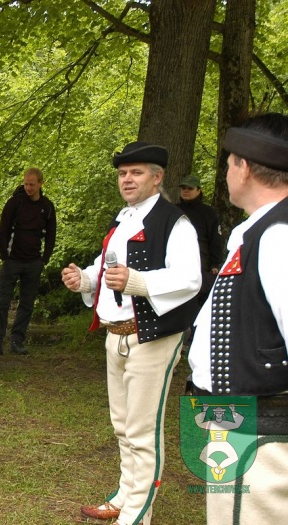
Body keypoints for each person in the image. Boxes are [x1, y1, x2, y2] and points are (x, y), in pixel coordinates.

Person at [61, 141, 201, 525]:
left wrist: (137, 281)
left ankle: (138, 512)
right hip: (116, 333)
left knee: (142, 428)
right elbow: (106, 267)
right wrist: (85, 279)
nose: (127, 179)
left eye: (136, 172)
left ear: (157, 178)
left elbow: (190, 278)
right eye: (123, 173)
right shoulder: (123, 217)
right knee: (122, 424)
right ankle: (125, 495)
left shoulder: (175, 222)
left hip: (152, 334)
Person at [187, 113, 288, 525]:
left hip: (260, 423)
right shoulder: (255, 231)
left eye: (229, 162)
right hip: (232, 412)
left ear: (244, 167)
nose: (227, 171)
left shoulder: (279, 236)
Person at [0, 167, 56, 357]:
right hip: (12, 260)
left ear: (40, 184)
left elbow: (51, 234)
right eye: (26, 184)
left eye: (32, 184)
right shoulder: (14, 203)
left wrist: (44, 259)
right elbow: (3, 230)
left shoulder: (47, 207)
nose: (28, 187)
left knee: (27, 303)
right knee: (1, 302)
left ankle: (17, 340)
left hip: (34, 262)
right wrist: (4, 256)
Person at [177, 175, 224, 306]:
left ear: (198, 190)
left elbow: (215, 239)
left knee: (200, 301)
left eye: (190, 188)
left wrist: (215, 264)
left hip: (202, 263)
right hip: (177, 261)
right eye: (183, 188)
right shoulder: (173, 211)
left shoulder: (208, 212)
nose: (186, 191)